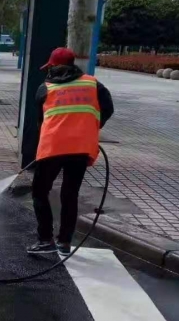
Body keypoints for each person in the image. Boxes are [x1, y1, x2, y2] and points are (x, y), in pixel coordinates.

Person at [27, 47, 114, 256]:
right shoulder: (93, 84)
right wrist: (92, 127)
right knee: (69, 194)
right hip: (81, 148)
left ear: (54, 66)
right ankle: (64, 242)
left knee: (40, 191)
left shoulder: (45, 88)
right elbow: (108, 108)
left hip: (53, 148)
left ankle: (45, 239)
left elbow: (41, 121)